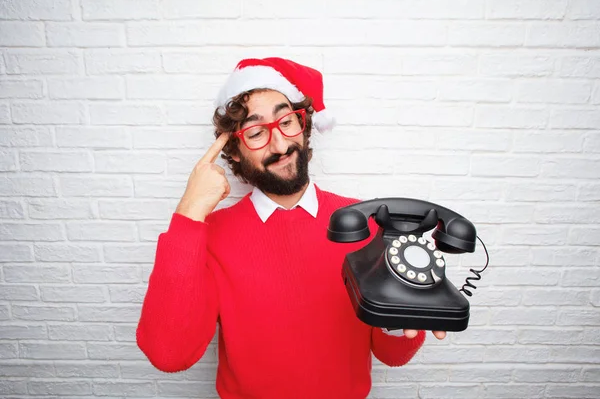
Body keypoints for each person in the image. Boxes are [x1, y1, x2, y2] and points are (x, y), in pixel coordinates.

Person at [136, 57, 446, 399]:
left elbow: (392, 355)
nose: (281, 145)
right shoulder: (209, 235)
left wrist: (405, 312)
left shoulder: (368, 224)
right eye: (255, 133)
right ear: (234, 151)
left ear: (305, 125)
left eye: (287, 121)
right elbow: (169, 354)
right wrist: (190, 211)